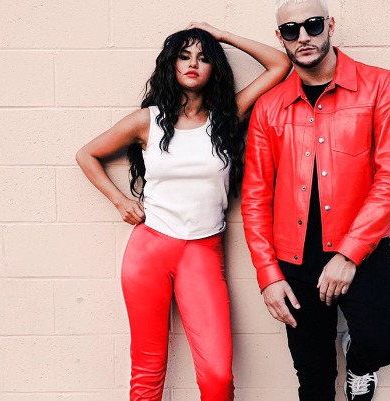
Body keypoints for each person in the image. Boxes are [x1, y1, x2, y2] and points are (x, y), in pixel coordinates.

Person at [75, 22, 290, 401]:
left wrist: (221, 35)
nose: (193, 64)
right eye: (184, 56)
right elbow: (86, 154)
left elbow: (279, 65)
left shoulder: (226, 116)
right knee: (147, 369)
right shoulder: (148, 121)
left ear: (214, 68)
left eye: (203, 58)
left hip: (203, 253)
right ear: (171, 64)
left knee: (218, 376)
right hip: (149, 251)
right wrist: (121, 201)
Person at [240, 0, 390, 400]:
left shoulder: (379, 85)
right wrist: (268, 275)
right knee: (314, 380)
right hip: (294, 261)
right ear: (280, 37)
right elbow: (255, 197)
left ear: (330, 25)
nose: (303, 37)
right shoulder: (269, 107)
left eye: (313, 25)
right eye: (291, 30)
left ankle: (360, 362)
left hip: (362, 251)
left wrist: (349, 254)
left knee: (383, 343)